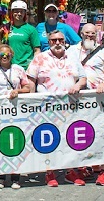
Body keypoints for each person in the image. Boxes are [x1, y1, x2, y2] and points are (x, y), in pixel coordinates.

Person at [26, 30, 86, 187]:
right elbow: (31, 80)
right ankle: (49, 172)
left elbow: (83, 78)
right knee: (50, 140)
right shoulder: (40, 58)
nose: (57, 43)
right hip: (47, 108)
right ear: (49, 42)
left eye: (60, 39)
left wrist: (78, 85)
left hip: (70, 106)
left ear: (65, 41)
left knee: (69, 139)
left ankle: (70, 172)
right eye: (53, 40)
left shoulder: (73, 58)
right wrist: (31, 102)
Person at [65, 23, 104, 185]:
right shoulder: (71, 51)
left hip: (97, 99)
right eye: (87, 33)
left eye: (93, 33)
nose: (90, 36)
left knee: (100, 132)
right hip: (77, 100)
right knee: (78, 133)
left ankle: (102, 170)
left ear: (97, 34)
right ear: (81, 33)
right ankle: (80, 167)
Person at [0, 44, 31, 189]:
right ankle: (0, 177)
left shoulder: (19, 69)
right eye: (2, 55)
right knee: (1, 141)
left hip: (15, 110)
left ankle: (15, 177)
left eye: (7, 55)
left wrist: (18, 92)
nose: (4, 57)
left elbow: (27, 87)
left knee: (16, 141)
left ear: (11, 56)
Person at [7, 0, 41, 69]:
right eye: (16, 11)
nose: (19, 14)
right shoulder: (6, 28)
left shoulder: (31, 29)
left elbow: (37, 50)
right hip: (9, 67)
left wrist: (33, 66)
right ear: (12, 12)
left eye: (21, 11)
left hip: (25, 68)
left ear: (25, 13)